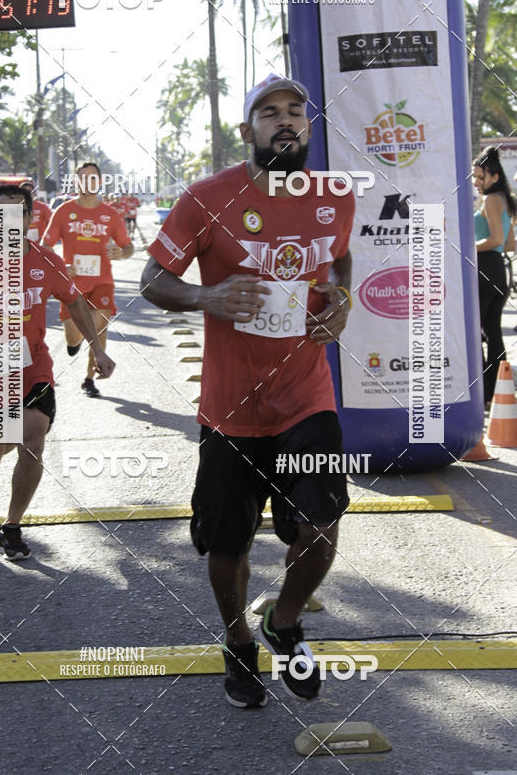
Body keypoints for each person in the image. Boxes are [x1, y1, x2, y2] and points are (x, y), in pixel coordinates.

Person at [141, 73, 355, 708]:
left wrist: (339, 297)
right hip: (231, 409)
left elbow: (339, 258)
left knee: (321, 521)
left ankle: (284, 622)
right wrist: (206, 296)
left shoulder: (336, 196)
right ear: (247, 131)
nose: (285, 120)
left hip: (305, 394)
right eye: (269, 112)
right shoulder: (207, 199)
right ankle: (237, 639)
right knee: (226, 546)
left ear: (309, 128)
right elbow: (154, 277)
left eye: (296, 111)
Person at [0, 184, 115, 559]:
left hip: (32, 369)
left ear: (29, 219)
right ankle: (15, 424)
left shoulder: (47, 261)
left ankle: (12, 526)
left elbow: (76, 301)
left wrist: (96, 348)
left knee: (33, 442)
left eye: (15, 214)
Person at [42, 162, 133, 397]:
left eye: (93, 178)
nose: (88, 182)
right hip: (71, 285)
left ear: (100, 182)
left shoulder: (110, 214)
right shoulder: (63, 211)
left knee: (98, 327)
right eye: (82, 178)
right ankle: (76, 345)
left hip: (102, 282)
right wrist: (61, 266)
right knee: (74, 337)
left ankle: (90, 379)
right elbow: (46, 246)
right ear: (76, 182)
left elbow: (128, 246)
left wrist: (121, 253)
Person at [473, 146, 517, 405]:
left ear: (495, 177)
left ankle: (482, 393)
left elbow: (497, 239)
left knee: (478, 331)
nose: (477, 182)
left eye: (482, 177)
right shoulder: (505, 199)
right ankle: (497, 393)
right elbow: (509, 244)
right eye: (475, 177)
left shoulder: (490, 200)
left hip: (484, 269)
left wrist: (468, 246)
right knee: (493, 331)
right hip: (499, 270)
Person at [19, 177, 52, 244]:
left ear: (33, 193)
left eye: (29, 191)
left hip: (39, 244)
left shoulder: (42, 207)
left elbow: (52, 224)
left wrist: (46, 240)